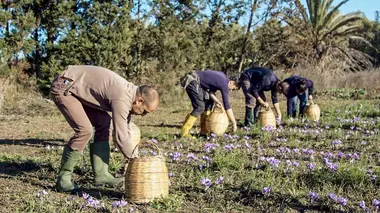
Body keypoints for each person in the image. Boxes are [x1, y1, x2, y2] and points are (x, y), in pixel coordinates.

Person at [50, 65, 159, 192]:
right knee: (85, 131)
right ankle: (63, 178)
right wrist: (138, 161)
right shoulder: (122, 98)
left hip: (75, 88)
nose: (143, 115)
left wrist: (132, 154)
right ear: (139, 101)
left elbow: (125, 129)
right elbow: (121, 137)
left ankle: (102, 175)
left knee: (105, 122)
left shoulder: (130, 96)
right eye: (145, 111)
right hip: (65, 85)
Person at [180, 70, 239, 138]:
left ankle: (204, 131)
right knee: (200, 107)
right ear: (231, 82)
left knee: (209, 102)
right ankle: (184, 132)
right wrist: (234, 123)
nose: (231, 91)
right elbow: (227, 105)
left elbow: (210, 92)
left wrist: (217, 101)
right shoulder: (224, 84)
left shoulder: (222, 78)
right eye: (233, 89)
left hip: (197, 82)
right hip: (192, 80)